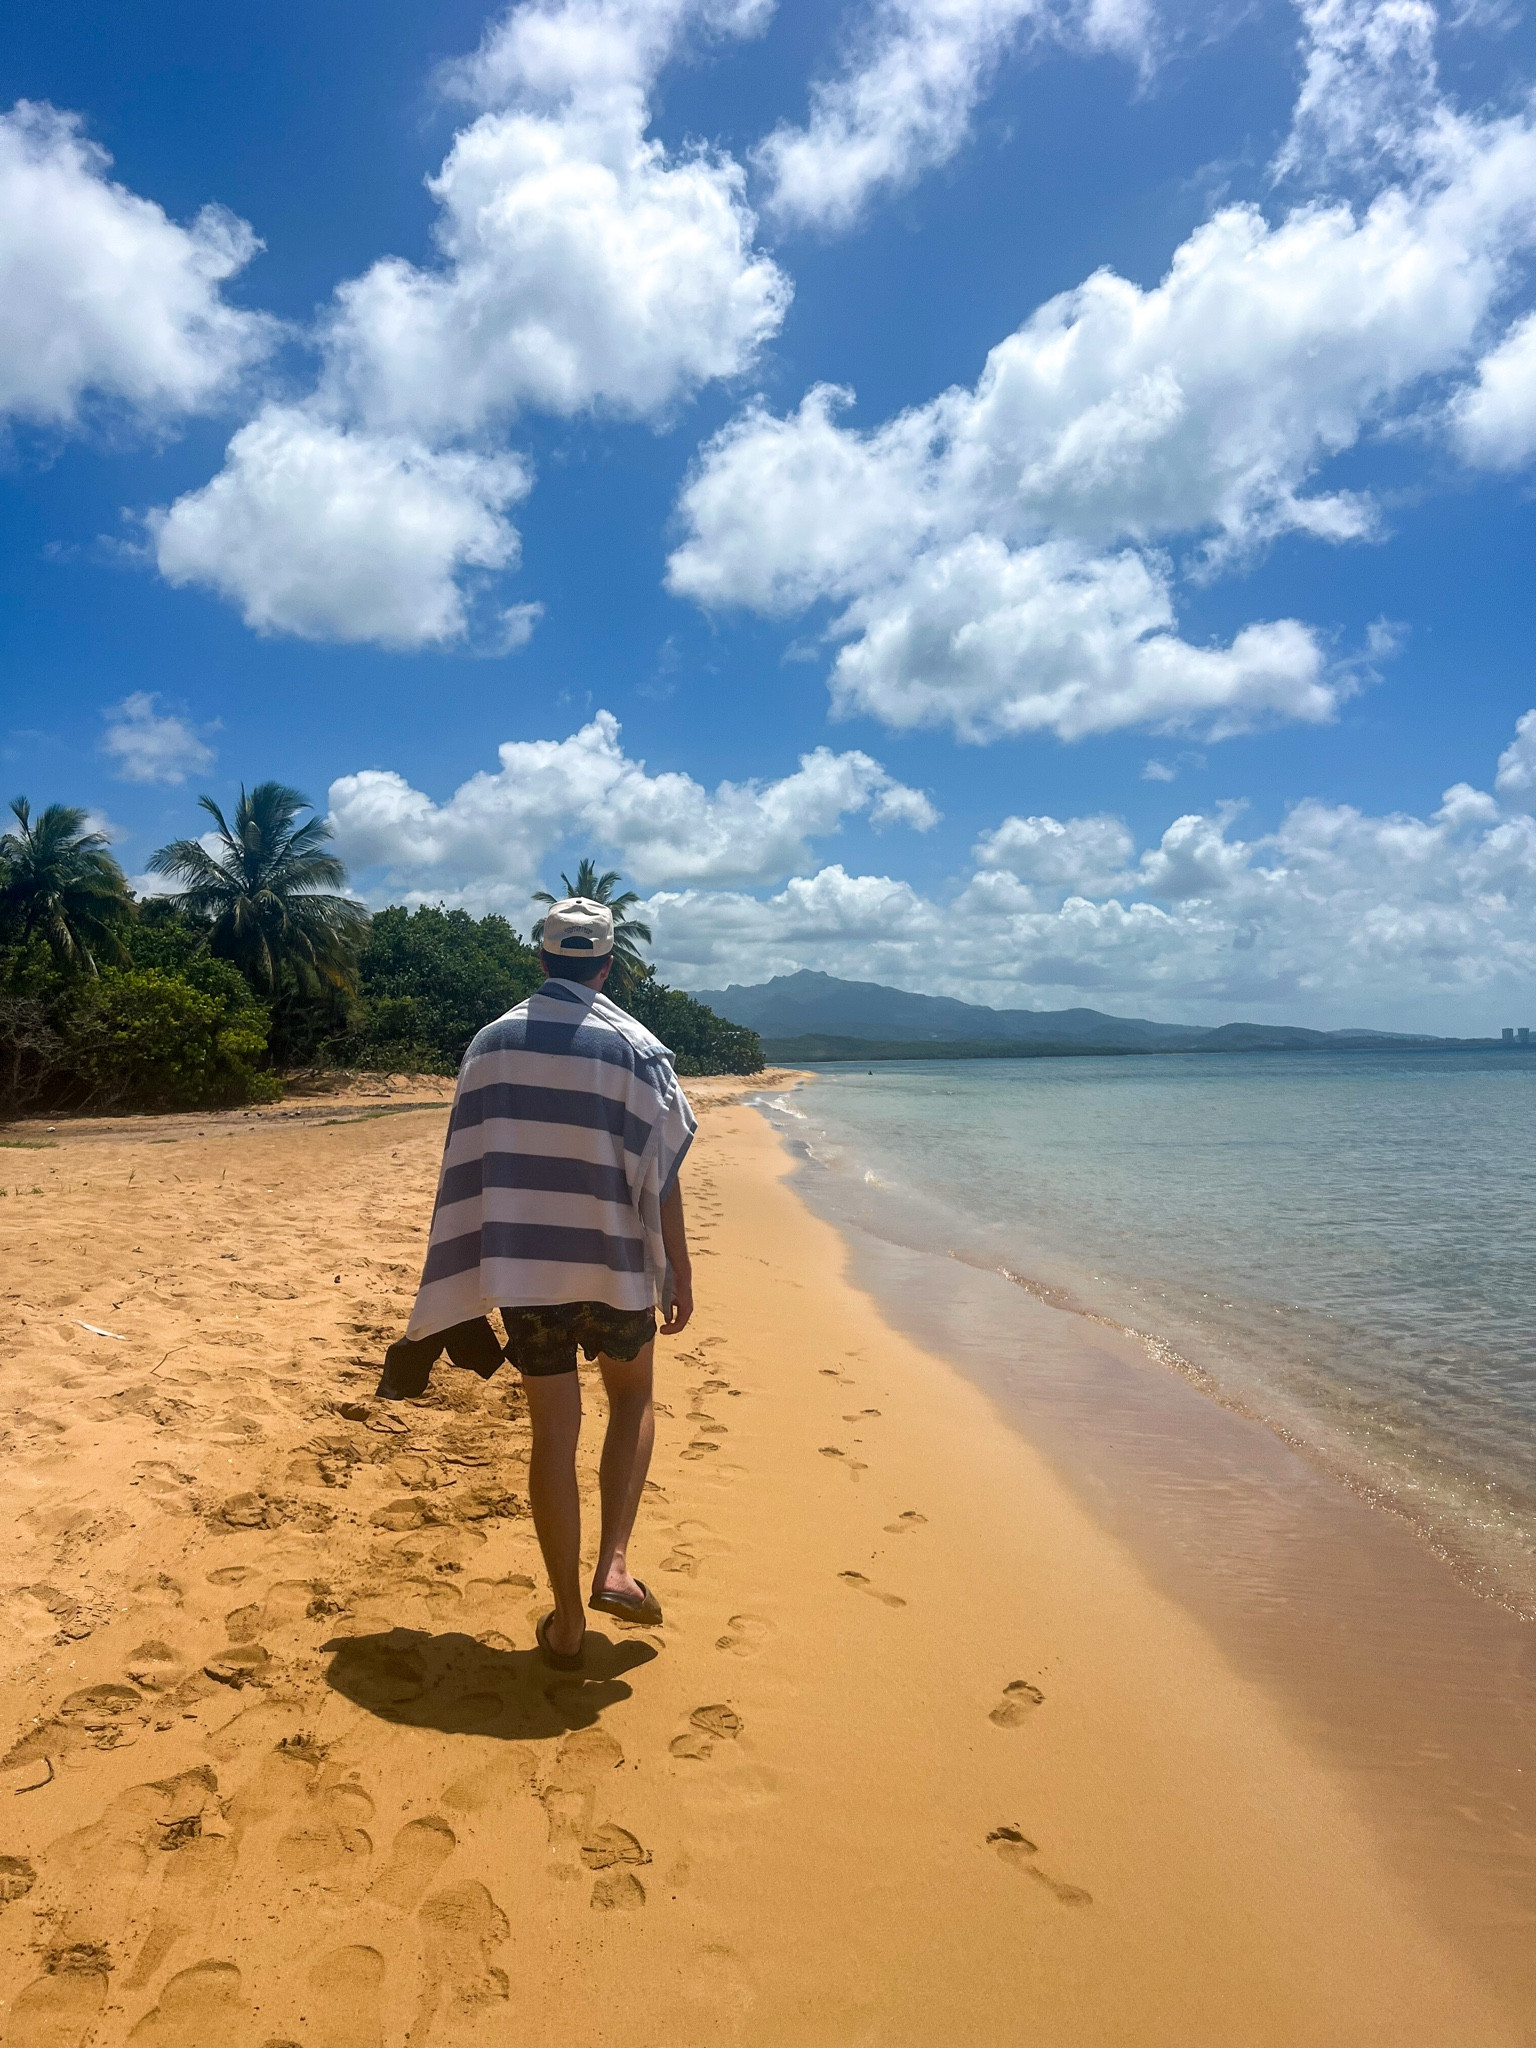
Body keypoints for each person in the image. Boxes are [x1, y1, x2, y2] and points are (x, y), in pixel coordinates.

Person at [375, 896, 695, 1671]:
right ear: (609, 965)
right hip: (615, 1270)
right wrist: (678, 1267)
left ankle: (565, 1623)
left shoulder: (491, 1044)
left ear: (542, 958)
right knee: (633, 1399)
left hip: (528, 1271)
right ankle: (614, 1566)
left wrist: (468, 1268)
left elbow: (469, 1160)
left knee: (553, 1436)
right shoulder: (638, 1048)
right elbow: (663, 1170)